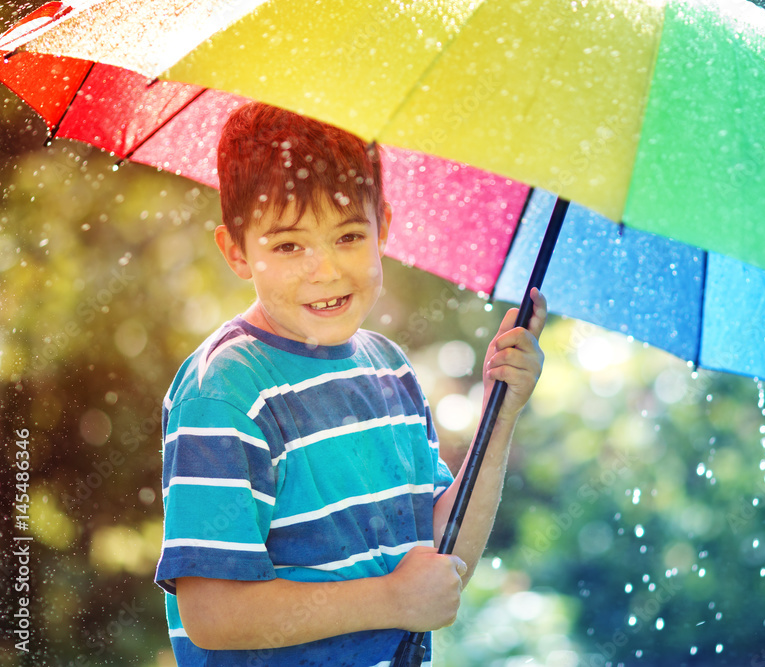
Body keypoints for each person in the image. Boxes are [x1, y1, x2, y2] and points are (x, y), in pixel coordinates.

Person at [154, 101, 546, 666]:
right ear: (236, 251)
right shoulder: (226, 393)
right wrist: (390, 600)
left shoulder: (388, 370)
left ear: (382, 227)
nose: (326, 270)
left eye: (348, 237)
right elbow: (214, 614)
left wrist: (500, 413)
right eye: (288, 245)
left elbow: (438, 556)